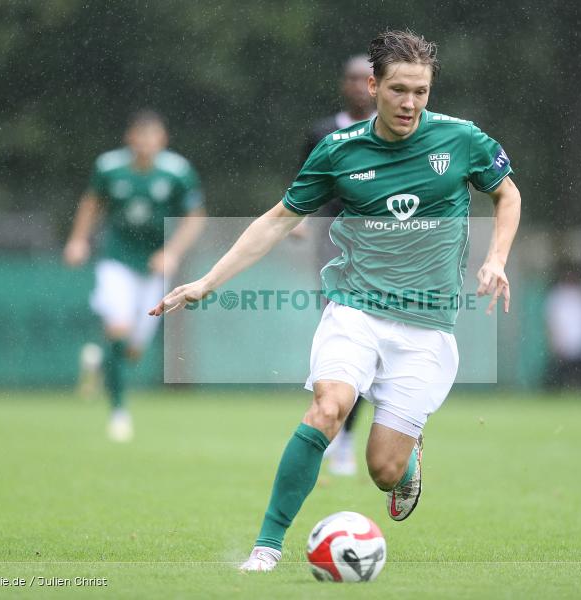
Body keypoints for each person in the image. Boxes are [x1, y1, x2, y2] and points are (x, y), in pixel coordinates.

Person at [150, 29, 521, 572]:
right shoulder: (339, 151)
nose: (411, 103)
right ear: (373, 86)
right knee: (328, 409)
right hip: (355, 310)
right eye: (398, 90)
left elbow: (506, 192)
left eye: (421, 91)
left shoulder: (462, 139)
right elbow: (278, 220)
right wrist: (208, 281)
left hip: (427, 328)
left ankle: (406, 459)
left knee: (382, 470)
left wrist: (496, 259)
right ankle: (267, 546)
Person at [64, 110, 206, 442]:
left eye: (151, 137)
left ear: (162, 140)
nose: (145, 144)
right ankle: (118, 412)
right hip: (116, 260)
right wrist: (78, 240)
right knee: (118, 329)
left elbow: (195, 217)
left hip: (152, 267)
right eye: (139, 138)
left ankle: (99, 364)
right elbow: (91, 203)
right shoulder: (109, 166)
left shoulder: (177, 172)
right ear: (130, 139)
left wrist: (171, 252)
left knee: (132, 350)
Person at [300, 54, 376, 476]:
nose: (357, 85)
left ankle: (345, 438)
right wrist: (298, 220)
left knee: (365, 340)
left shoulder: (393, 132)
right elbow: (304, 184)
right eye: (350, 78)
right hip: (331, 242)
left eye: (365, 78)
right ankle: (332, 424)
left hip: (378, 245)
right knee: (340, 329)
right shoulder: (321, 132)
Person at [544, 264, 581, 389]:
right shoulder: (558, 295)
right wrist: (556, 341)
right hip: (565, 343)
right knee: (560, 376)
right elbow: (552, 321)